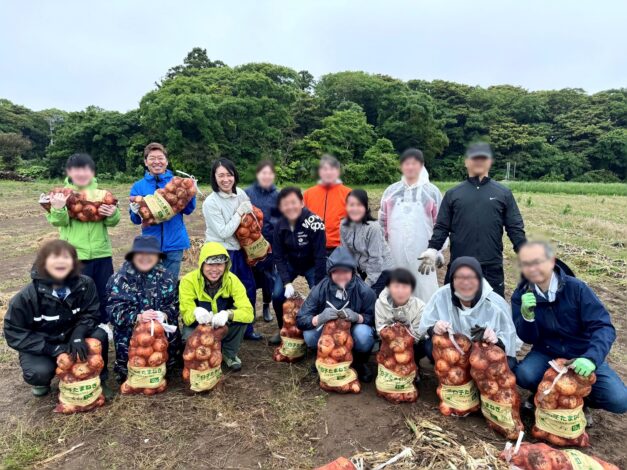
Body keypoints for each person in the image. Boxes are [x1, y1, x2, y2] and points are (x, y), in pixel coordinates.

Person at [512, 241, 626, 415]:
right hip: (547, 352)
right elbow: (529, 338)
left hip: (582, 352)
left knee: (619, 400)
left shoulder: (576, 288)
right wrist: (527, 317)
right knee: (524, 374)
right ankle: (545, 392)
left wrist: (591, 358)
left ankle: (580, 399)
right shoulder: (522, 294)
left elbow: (603, 326)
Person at [419, 142, 526, 298]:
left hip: (491, 267)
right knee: (454, 312)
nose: (478, 161)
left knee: (492, 312)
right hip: (459, 265)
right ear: (466, 162)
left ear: (490, 161)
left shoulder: (503, 193)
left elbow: (515, 227)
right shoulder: (453, 194)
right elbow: (442, 227)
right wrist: (432, 249)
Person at [4, 240, 110, 397]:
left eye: (66, 257)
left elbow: (91, 313)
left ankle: (98, 378)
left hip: (72, 337)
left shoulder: (85, 284)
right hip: (43, 344)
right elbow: (14, 332)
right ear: (43, 263)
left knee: (100, 335)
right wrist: (50, 348)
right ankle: (43, 379)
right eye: (54, 257)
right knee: (39, 372)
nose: (61, 261)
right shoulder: (27, 297)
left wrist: (78, 334)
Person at [46, 153, 120, 323]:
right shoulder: (61, 194)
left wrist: (113, 213)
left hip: (101, 253)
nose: (81, 174)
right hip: (75, 255)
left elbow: (113, 222)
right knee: (78, 293)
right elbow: (58, 221)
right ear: (69, 172)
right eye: (76, 170)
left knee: (104, 291)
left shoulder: (102, 194)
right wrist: (58, 208)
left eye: (85, 169)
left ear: (92, 172)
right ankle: (81, 326)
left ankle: (103, 326)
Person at [418, 256, 519, 369]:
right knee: (429, 347)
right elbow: (428, 323)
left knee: (508, 364)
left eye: (471, 277)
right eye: (459, 277)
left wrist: (496, 340)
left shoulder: (495, 305)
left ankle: (476, 374)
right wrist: (435, 328)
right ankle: (458, 375)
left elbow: (510, 341)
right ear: (452, 281)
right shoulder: (441, 296)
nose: (465, 283)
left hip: (483, 353)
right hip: (455, 348)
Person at [106, 236, 181, 384]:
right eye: (141, 254)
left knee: (168, 363)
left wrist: (164, 314)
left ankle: (167, 363)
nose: (145, 258)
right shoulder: (119, 279)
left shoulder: (168, 277)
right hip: (130, 336)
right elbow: (113, 311)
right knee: (130, 366)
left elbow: (175, 305)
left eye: (151, 254)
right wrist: (137, 317)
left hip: (160, 334)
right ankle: (125, 367)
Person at [202, 158, 262, 341]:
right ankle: (222, 331)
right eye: (221, 175)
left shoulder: (241, 194)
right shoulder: (210, 203)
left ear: (234, 176)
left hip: (240, 251)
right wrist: (238, 213)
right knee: (221, 292)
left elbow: (251, 221)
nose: (226, 179)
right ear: (214, 178)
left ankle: (246, 327)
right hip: (220, 253)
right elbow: (223, 232)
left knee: (248, 288)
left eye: (229, 174)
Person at [297, 247, 376, 382]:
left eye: (345, 271)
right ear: (330, 273)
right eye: (336, 272)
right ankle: (323, 359)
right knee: (309, 335)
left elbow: (375, 319)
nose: (341, 276)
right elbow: (301, 319)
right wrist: (319, 318)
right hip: (326, 334)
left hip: (353, 332)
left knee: (364, 334)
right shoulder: (320, 289)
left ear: (352, 271)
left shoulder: (364, 291)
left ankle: (358, 362)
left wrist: (358, 317)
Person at [379, 148, 445, 301]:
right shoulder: (391, 191)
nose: (410, 167)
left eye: (414, 163)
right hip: (395, 251)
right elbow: (382, 222)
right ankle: (394, 323)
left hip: (423, 252)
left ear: (421, 165)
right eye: (406, 163)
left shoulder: (432, 192)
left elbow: (441, 225)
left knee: (425, 291)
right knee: (397, 288)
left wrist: (437, 251)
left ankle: (427, 323)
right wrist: (383, 248)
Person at [179, 242, 254, 372]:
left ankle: (228, 353)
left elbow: (248, 312)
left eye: (219, 264)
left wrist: (228, 314)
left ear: (226, 265)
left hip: (223, 324)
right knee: (187, 338)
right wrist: (195, 312)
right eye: (210, 264)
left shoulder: (232, 280)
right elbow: (186, 315)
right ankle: (198, 358)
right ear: (202, 264)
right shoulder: (188, 281)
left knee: (242, 322)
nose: (215, 269)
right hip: (198, 326)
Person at [129, 142, 196, 279]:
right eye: (152, 158)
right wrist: (134, 211)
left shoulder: (177, 182)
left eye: (160, 158)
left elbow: (189, 210)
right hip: (149, 246)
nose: (157, 162)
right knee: (149, 286)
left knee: (170, 286)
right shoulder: (138, 186)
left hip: (174, 243)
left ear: (166, 161)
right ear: (145, 162)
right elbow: (135, 220)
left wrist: (190, 192)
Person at [270, 187, 327, 345]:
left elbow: (320, 255)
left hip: (311, 264)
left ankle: (318, 330)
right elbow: (278, 256)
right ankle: (283, 329)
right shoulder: (279, 225)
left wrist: (319, 283)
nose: (290, 207)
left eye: (293, 202)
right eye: (285, 204)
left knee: (320, 295)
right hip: (290, 263)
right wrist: (287, 281)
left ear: (301, 202)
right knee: (277, 294)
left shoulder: (314, 222)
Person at [341, 189, 393, 296]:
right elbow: (347, 254)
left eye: (359, 205)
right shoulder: (344, 225)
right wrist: (354, 277)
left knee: (368, 297)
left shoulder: (373, 228)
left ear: (365, 207)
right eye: (351, 205)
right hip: (362, 269)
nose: (355, 209)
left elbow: (376, 260)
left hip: (382, 270)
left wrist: (366, 285)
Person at [245, 160, 280, 323]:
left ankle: (266, 305)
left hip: (269, 244)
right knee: (249, 278)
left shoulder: (278, 195)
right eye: (263, 173)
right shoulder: (246, 193)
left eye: (269, 173)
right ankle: (249, 308)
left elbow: (282, 219)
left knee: (268, 278)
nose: (266, 176)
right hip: (249, 244)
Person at [375, 268, 426, 366]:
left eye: (405, 287)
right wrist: (390, 326)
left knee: (423, 346)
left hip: (413, 345)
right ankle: (388, 364)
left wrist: (408, 326)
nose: (400, 291)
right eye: (396, 286)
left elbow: (418, 337)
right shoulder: (380, 303)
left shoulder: (420, 306)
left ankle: (414, 364)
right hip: (388, 343)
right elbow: (379, 331)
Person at [303, 155, 351, 254]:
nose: (328, 172)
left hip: (340, 248)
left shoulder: (349, 194)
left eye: (332, 169)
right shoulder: (308, 194)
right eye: (325, 169)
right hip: (312, 247)